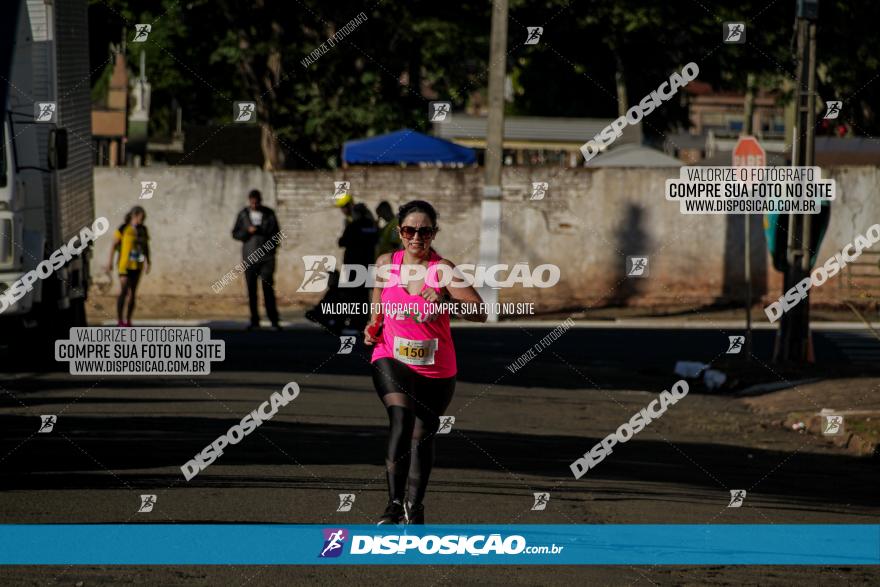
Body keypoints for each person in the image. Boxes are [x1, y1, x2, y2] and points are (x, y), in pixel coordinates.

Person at [364, 200, 486, 525]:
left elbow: (481, 312)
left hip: (436, 367)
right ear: (400, 232)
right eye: (409, 230)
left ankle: (414, 507)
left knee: (423, 435)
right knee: (401, 421)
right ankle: (392, 505)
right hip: (390, 355)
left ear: (434, 233)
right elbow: (378, 299)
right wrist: (373, 324)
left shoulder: (442, 269)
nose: (416, 237)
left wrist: (446, 299)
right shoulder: (385, 264)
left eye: (425, 231)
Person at [232, 189, 282, 330]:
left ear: (260, 200)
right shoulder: (243, 215)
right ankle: (255, 321)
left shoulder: (269, 214)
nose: (254, 205)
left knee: (268, 289)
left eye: (257, 202)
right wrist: (247, 232)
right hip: (249, 258)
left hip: (267, 259)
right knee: (252, 291)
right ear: (249, 201)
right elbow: (235, 233)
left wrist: (271, 249)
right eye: (252, 202)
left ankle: (274, 320)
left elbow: (277, 235)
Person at [106, 206, 150, 327]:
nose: (142, 220)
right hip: (124, 265)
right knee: (124, 290)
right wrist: (109, 262)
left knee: (133, 293)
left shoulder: (143, 230)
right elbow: (114, 246)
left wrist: (148, 261)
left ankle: (128, 320)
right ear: (134, 215)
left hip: (137, 265)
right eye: (141, 217)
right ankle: (120, 320)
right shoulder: (123, 228)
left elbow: (146, 247)